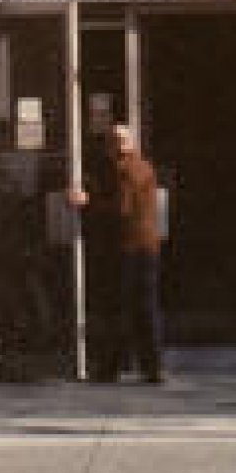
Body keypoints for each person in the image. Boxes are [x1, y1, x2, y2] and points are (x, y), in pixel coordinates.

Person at [72, 124, 163, 384]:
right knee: (142, 307)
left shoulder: (126, 170)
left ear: (128, 143)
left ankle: (112, 367)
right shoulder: (142, 167)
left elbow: (120, 209)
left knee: (119, 308)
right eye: (111, 140)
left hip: (129, 247)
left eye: (118, 140)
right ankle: (150, 367)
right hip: (144, 246)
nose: (112, 146)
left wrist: (87, 203)